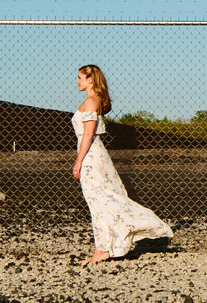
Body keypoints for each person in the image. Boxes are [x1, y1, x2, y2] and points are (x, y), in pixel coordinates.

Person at [72, 64, 173, 264]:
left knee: (100, 202)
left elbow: (88, 135)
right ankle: (105, 247)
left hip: (91, 157)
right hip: (95, 155)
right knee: (104, 200)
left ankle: (105, 247)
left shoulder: (91, 102)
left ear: (90, 80)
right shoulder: (96, 100)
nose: (77, 81)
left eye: (80, 77)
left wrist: (78, 162)